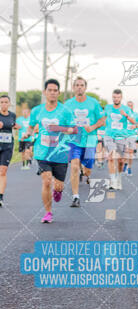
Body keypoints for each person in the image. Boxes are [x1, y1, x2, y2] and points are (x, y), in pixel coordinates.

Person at [21, 79, 76, 223]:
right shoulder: (37, 111)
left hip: (60, 153)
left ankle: (57, 191)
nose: (52, 92)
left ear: (58, 93)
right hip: (42, 151)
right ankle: (48, 213)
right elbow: (31, 126)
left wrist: (61, 129)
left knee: (58, 186)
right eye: (49, 90)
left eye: (55, 90)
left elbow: (74, 129)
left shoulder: (65, 111)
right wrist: (27, 133)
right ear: (45, 92)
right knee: (46, 181)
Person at [64, 77, 105, 208]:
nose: (79, 87)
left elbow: (102, 121)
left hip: (90, 140)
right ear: (73, 88)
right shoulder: (68, 104)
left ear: (85, 87)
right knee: (74, 165)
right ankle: (75, 197)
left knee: (87, 170)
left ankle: (84, 171)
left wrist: (92, 127)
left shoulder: (93, 103)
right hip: (74, 140)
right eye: (77, 85)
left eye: (82, 85)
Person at [103, 89, 138, 190]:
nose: (116, 99)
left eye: (118, 97)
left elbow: (134, 122)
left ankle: (118, 178)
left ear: (121, 98)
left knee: (121, 161)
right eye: (114, 97)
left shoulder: (126, 109)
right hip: (109, 136)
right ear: (112, 97)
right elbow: (102, 119)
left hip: (121, 137)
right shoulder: (108, 108)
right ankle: (113, 181)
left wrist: (126, 115)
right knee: (111, 157)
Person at [0, 94, 19, 207]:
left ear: (9, 103)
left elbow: (13, 124)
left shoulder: (12, 115)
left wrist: (17, 126)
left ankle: (0, 197)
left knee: (2, 171)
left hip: (7, 146)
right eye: (1, 102)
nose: (3, 104)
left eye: (6, 102)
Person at [123, 100, 138, 176]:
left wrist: (135, 126)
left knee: (130, 153)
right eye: (128, 105)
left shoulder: (136, 115)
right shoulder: (123, 114)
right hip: (123, 135)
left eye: (131, 105)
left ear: (133, 106)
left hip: (132, 135)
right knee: (125, 153)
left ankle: (129, 168)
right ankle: (125, 164)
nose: (129, 107)